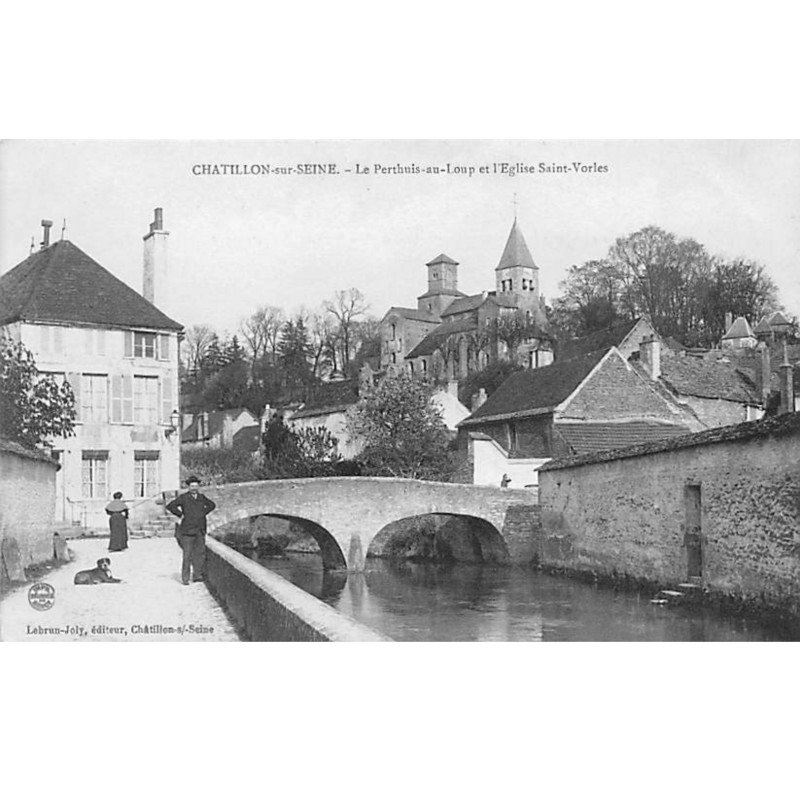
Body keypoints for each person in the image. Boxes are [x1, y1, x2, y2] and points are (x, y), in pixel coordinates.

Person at [166, 476, 216, 585]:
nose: (194, 488)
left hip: (200, 530)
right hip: (187, 531)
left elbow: (212, 505)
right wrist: (181, 515)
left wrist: (203, 512)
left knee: (200, 554)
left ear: (198, 486)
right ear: (188, 487)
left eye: (196, 486)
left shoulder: (202, 497)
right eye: (192, 486)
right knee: (187, 555)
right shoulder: (184, 497)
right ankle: (185, 578)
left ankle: (197, 575)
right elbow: (170, 506)